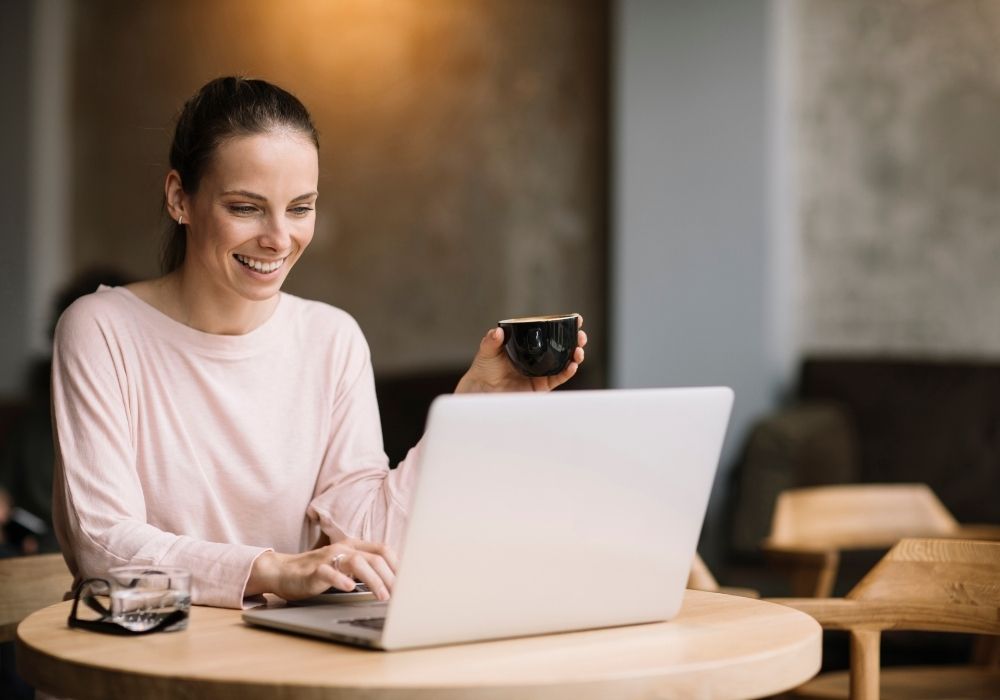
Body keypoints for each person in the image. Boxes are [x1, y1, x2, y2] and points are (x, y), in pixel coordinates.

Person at [51, 76, 587, 609]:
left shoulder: (332, 339)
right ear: (179, 198)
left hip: (285, 660)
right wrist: (273, 570)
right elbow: (103, 542)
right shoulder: (101, 330)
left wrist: (473, 412)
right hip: (147, 660)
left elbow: (374, 538)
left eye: (300, 207)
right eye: (245, 207)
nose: (279, 238)